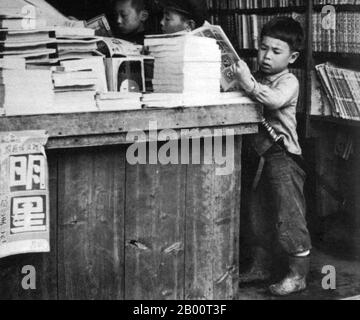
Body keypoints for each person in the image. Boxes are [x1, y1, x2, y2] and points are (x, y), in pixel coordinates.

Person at [231, 17, 312, 296]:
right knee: (257, 212)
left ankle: (298, 274)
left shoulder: (289, 81)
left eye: (276, 51)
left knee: (288, 215)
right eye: (263, 48)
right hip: (258, 154)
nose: (266, 56)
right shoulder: (258, 76)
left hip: (283, 156)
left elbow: (274, 100)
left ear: (293, 56)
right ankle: (261, 265)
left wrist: (248, 84)